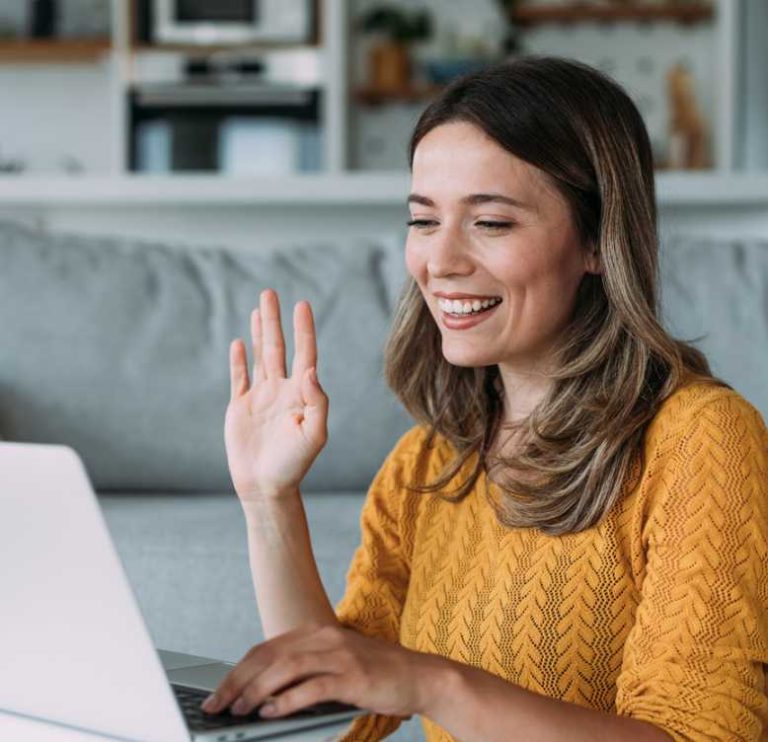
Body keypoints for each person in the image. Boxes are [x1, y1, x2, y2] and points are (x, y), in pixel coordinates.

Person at [199, 56, 768, 741]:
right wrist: (269, 501)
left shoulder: (701, 438)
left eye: (491, 223)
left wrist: (428, 681)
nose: (440, 262)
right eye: (423, 221)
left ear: (596, 239)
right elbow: (336, 708)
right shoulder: (428, 463)